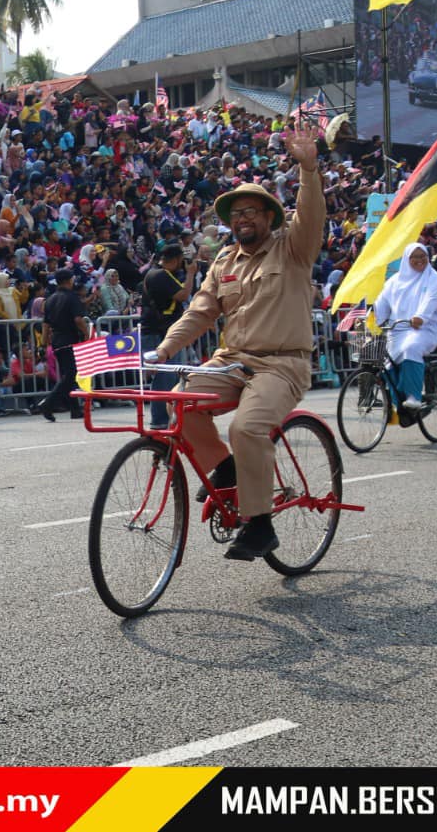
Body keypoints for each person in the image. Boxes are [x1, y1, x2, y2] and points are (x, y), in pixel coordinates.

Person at [143, 123, 324, 562]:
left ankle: (259, 525)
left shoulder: (294, 248)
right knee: (179, 405)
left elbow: (312, 213)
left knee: (248, 427)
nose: (242, 219)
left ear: (268, 217)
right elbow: (201, 312)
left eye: (252, 212)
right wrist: (164, 350)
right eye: (236, 213)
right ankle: (227, 474)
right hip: (232, 361)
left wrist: (308, 169)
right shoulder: (223, 260)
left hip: (281, 365)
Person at [373, 243, 437, 411]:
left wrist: (421, 316)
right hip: (397, 329)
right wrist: (373, 317)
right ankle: (396, 402)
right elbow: (382, 302)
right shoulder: (394, 281)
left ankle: (414, 395)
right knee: (386, 361)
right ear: (407, 259)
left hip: (424, 329)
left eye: (423, 256)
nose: (420, 260)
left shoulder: (434, 278)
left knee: (410, 348)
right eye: (415, 257)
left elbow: (431, 300)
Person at [140, 240, 192, 430]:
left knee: (169, 376)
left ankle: (166, 419)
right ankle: (160, 420)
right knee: (164, 377)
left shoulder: (159, 273)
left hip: (161, 331)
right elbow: (183, 295)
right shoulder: (160, 275)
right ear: (177, 259)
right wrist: (192, 273)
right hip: (158, 333)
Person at [35, 267, 88, 421]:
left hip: (57, 341)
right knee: (70, 375)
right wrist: (86, 333)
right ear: (68, 280)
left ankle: (75, 409)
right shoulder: (72, 298)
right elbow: (78, 319)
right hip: (69, 340)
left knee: (68, 375)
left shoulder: (50, 299)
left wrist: (43, 345)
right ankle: (48, 403)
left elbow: (45, 325)